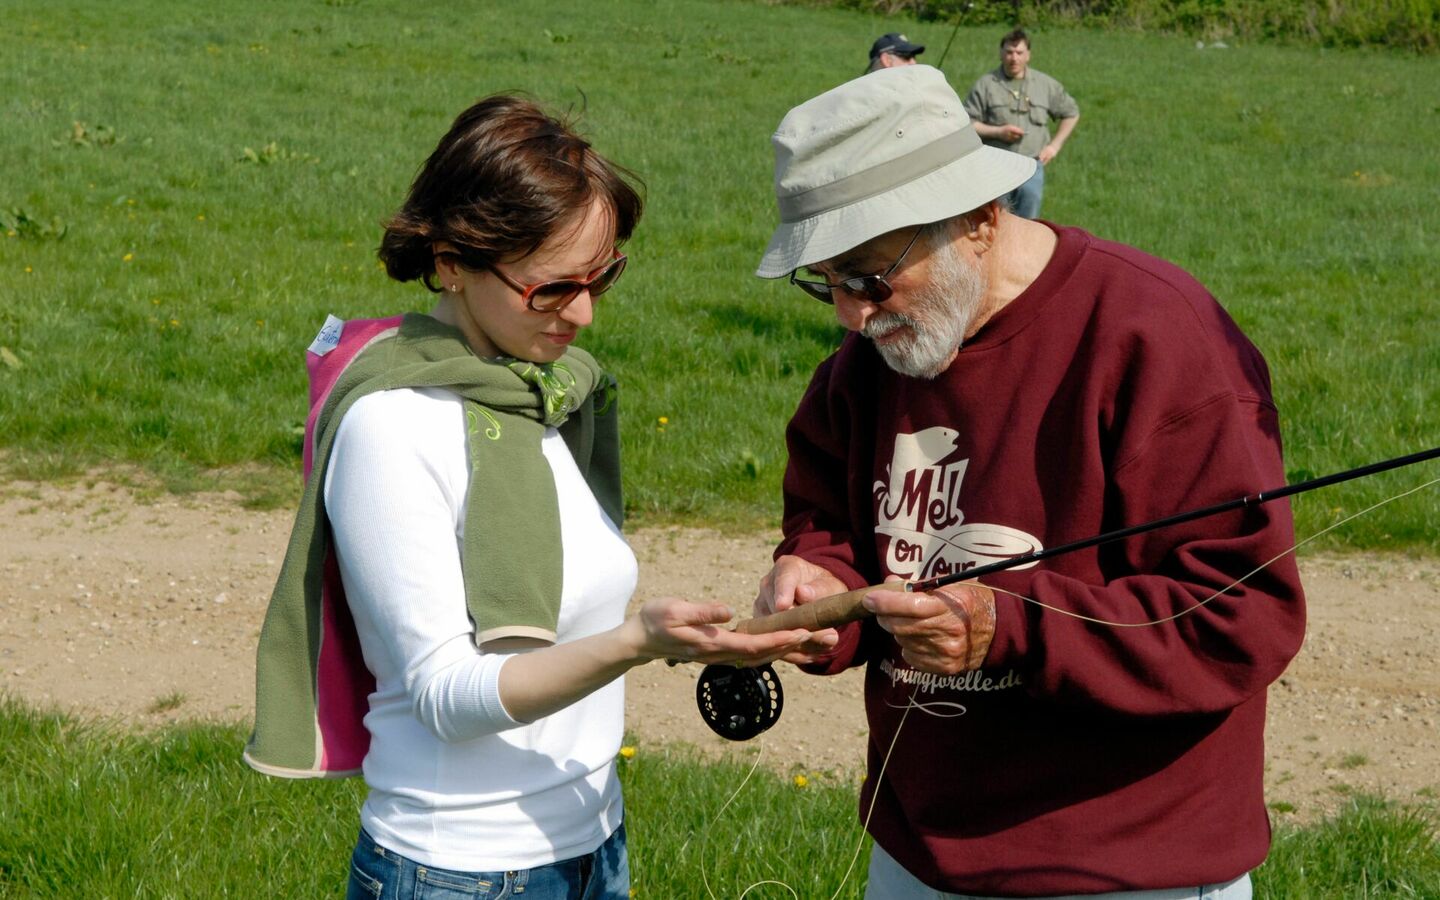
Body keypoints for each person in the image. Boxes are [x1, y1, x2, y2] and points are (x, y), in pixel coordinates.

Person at [752, 65, 1304, 899]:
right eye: (824, 282)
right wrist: (819, 580)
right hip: (917, 850)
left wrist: (1010, 624)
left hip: (1120, 866)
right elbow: (830, 516)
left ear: (977, 217)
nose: (850, 316)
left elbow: (1240, 618)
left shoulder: (1158, 341)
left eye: (867, 276)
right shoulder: (868, 366)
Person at [245, 95, 811, 900]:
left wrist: (684, 639)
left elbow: (567, 616)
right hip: (461, 870)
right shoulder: (393, 427)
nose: (581, 313)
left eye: (601, 277)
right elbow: (447, 696)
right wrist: (636, 642)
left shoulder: (534, 396)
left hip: (592, 842)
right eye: (551, 288)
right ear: (450, 261)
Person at [963, 28, 1079, 219]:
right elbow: (967, 123)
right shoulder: (986, 85)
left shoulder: (1045, 84)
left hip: (1032, 165)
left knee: (1028, 225)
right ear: (1001, 53)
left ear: (1028, 55)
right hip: (995, 166)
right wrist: (998, 132)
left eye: (1019, 53)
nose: (1014, 58)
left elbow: (1071, 113)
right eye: (1009, 52)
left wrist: (1054, 146)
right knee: (993, 222)